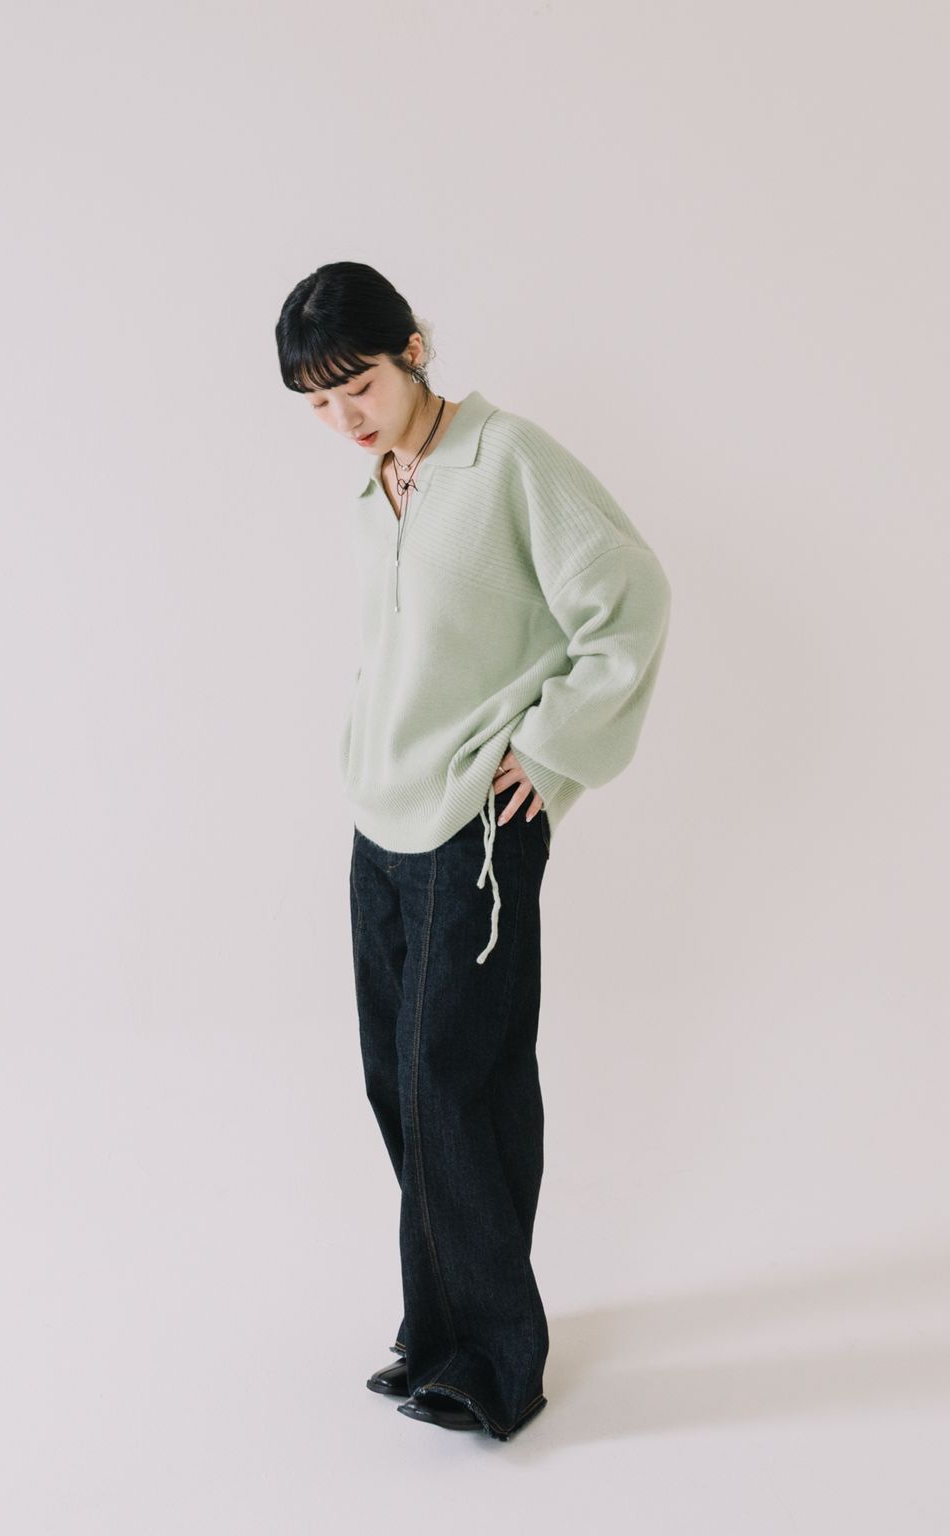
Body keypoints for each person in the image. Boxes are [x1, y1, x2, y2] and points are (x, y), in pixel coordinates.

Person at [275, 261, 671, 1440]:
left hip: (473, 828)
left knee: (456, 1082)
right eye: (317, 401)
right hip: (380, 819)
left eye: (356, 384)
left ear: (412, 348)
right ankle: (437, 1329)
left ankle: (495, 1359)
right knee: (400, 1084)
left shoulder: (507, 460)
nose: (342, 417)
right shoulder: (377, 490)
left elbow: (631, 601)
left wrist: (547, 751)